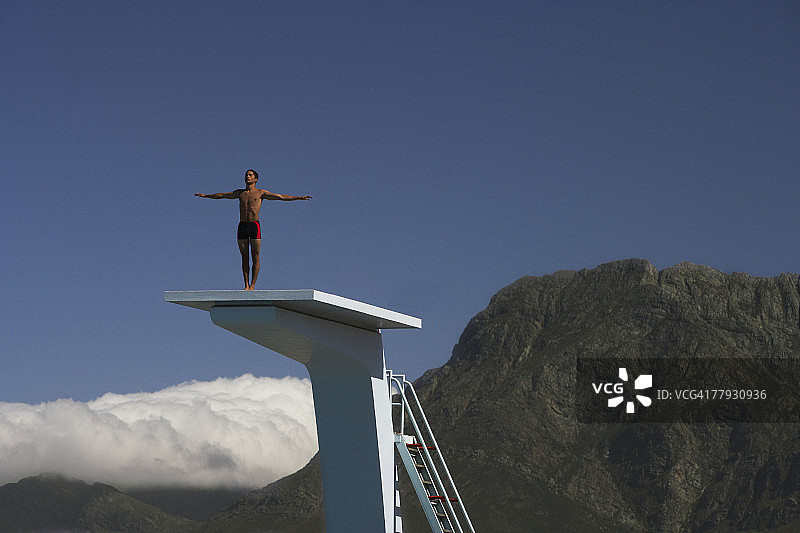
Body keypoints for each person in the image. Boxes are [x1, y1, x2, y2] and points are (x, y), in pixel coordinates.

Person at [195, 169, 312, 290]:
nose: (247, 177)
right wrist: (206, 196)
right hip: (242, 226)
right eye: (246, 175)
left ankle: (253, 285)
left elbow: (281, 196)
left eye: (250, 175)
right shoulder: (240, 193)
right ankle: (246, 285)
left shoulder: (261, 193)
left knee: (255, 255)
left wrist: (298, 197)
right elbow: (222, 195)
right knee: (244, 257)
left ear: (255, 179)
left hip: (254, 226)